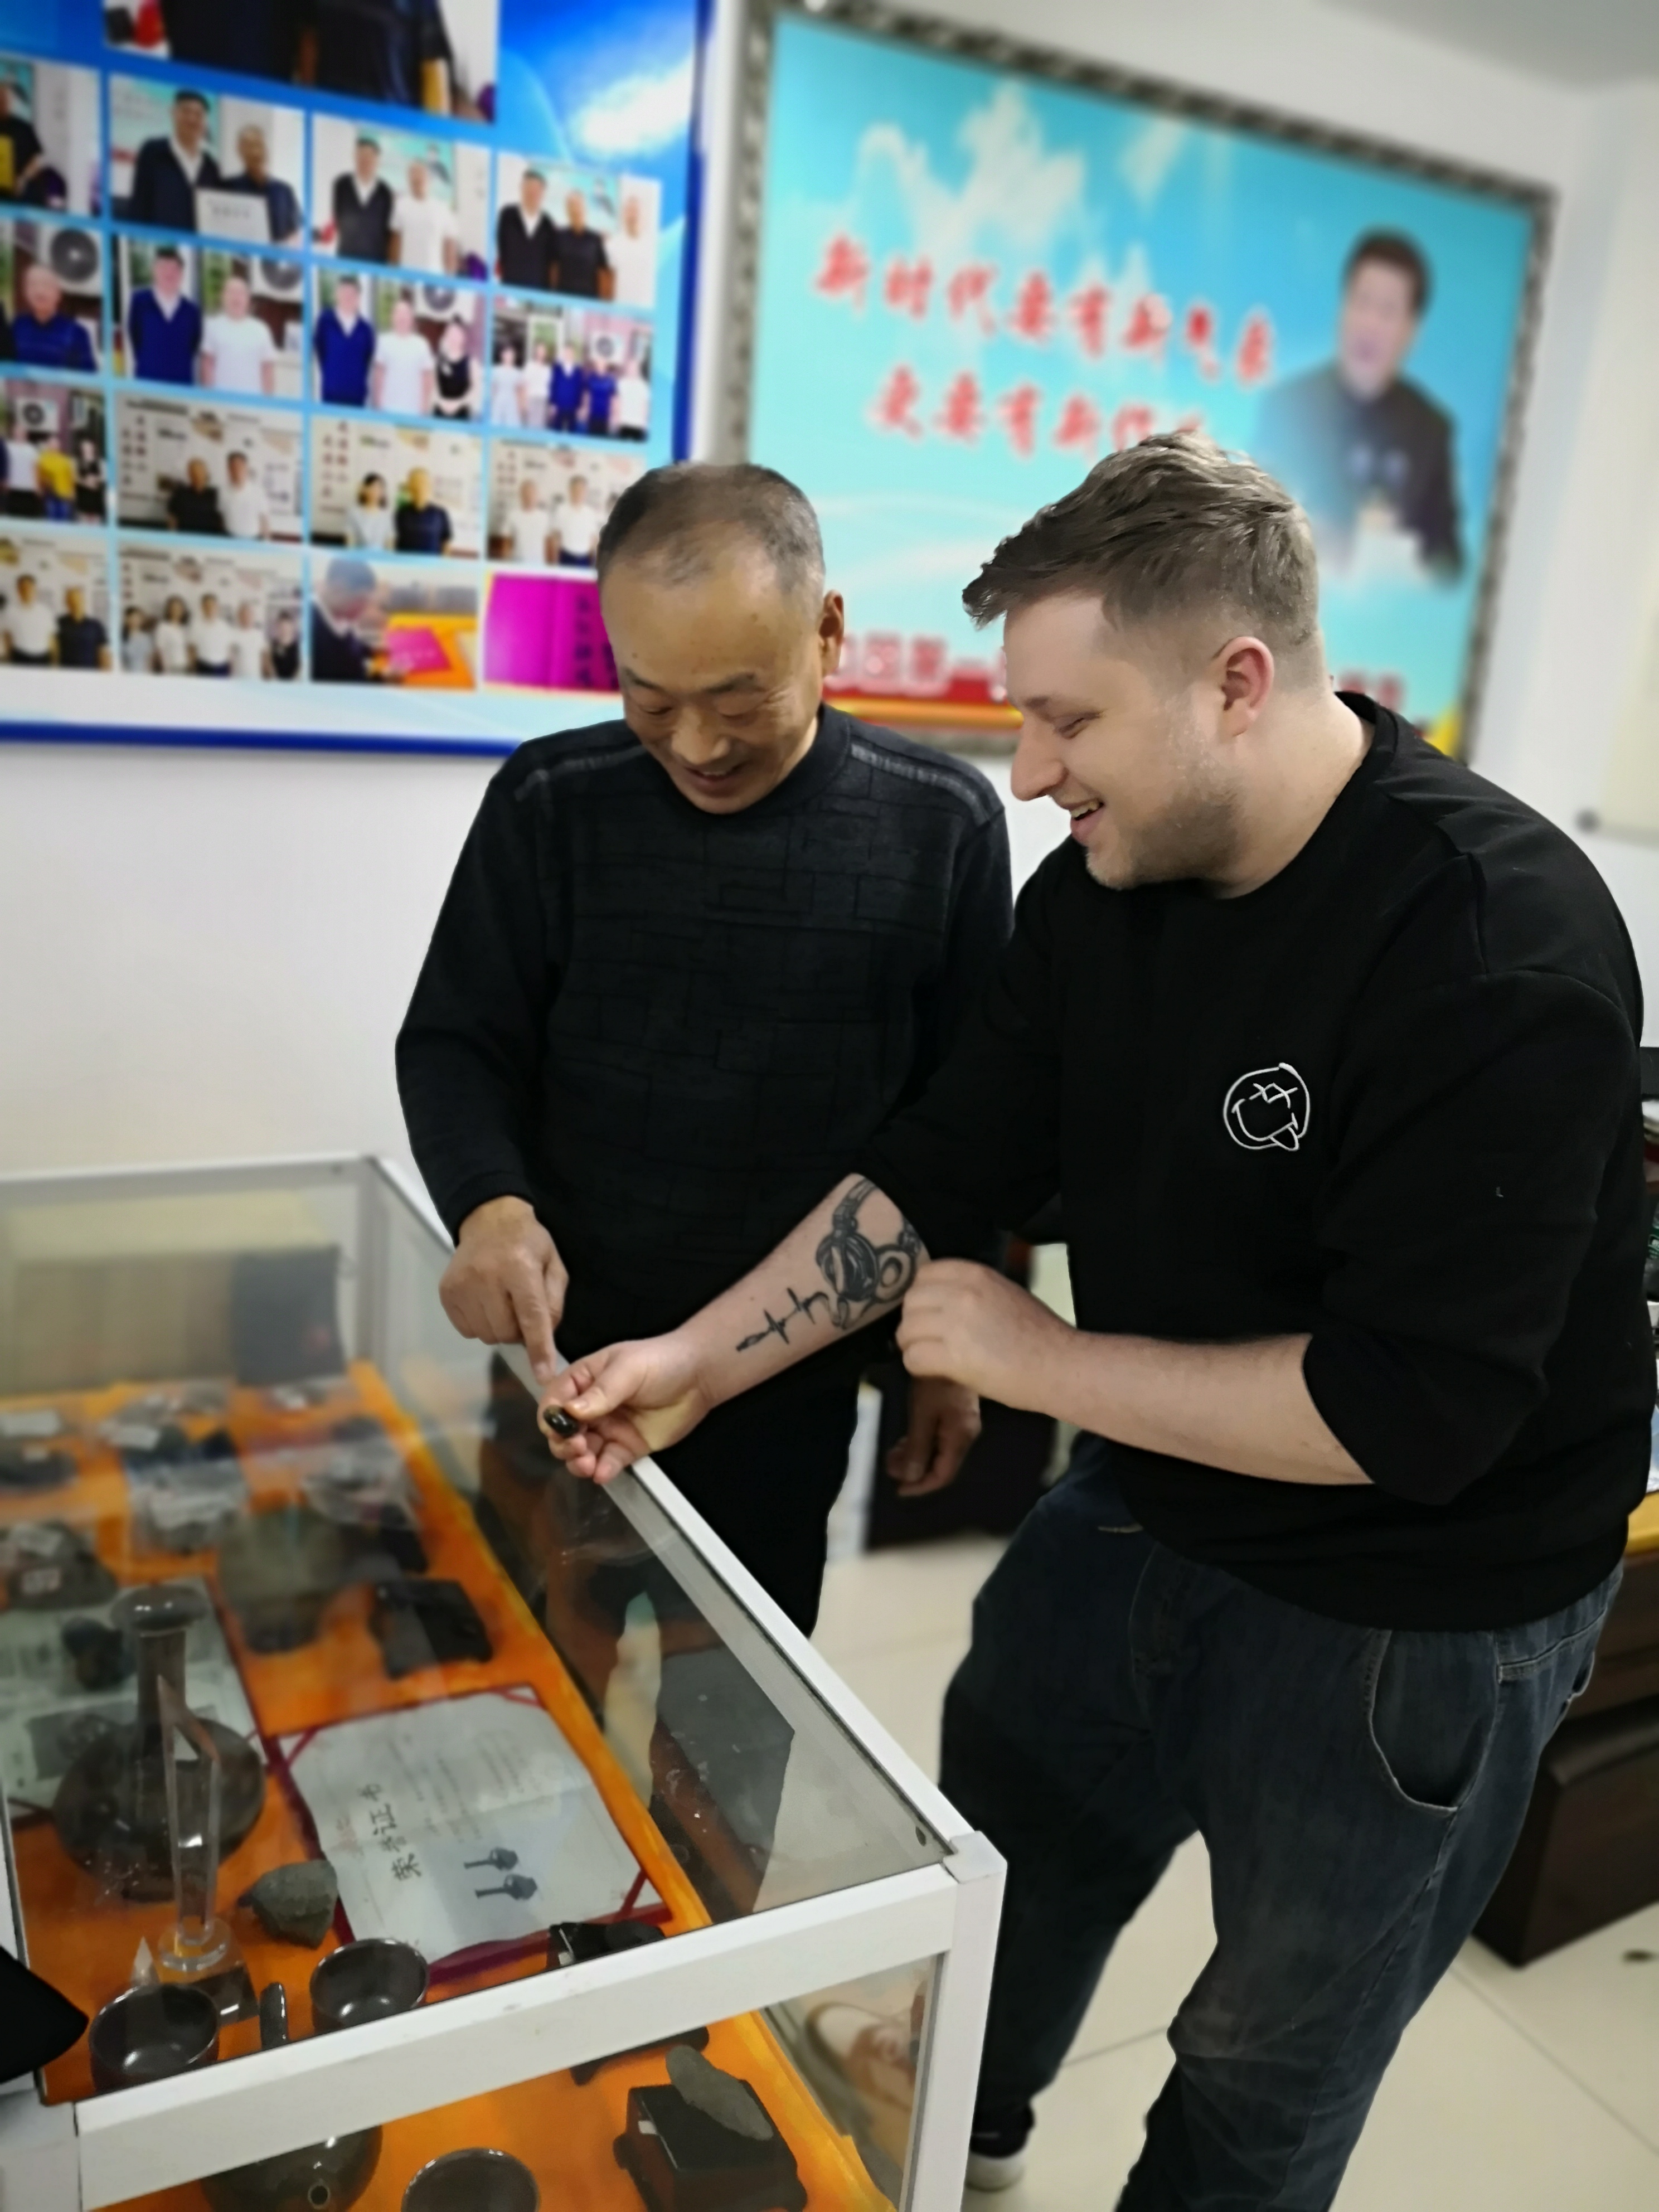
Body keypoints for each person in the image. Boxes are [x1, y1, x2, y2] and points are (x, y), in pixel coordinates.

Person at [540, 435, 1652, 2207]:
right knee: (1016, 1814)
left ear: (1235, 684)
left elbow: (1408, 1411)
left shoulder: (1488, 940)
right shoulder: (1099, 892)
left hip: (1415, 1603)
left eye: (1068, 721)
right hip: (1145, 1501)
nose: (1030, 771)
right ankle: (967, 2105)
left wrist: (1035, 1359)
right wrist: (696, 1358)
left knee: (1265, 2053)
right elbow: (934, 1168)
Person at [397, 462, 1011, 1634]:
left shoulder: (940, 824)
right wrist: (488, 1207)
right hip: (564, 1357)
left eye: (738, 699)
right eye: (650, 695)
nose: (695, 743)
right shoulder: (551, 799)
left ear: (827, 633)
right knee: (532, 1650)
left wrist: (945, 1347)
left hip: (789, 1374)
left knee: (732, 1696)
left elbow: (965, 1117)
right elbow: (455, 1040)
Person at [1254, 231, 1462, 578]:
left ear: (1412, 330)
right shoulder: (1286, 406)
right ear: (1342, 308)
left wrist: (1400, 553)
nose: (1370, 324)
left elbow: (1448, 565)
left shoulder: (1431, 430)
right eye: (1361, 302)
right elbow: (1243, 529)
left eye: (1387, 311)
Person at [307, 0, 456, 117]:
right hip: (329, 119)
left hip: (393, 128)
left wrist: (436, 138)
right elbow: (309, 44)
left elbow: (434, 68)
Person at [126, 89, 220, 232]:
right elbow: (139, 206)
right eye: (186, 111)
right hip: (158, 242)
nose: (192, 119)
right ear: (173, 113)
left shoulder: (212, 167)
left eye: (198, 114)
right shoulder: (152, 152)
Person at [126, 246, 201, 386]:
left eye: (174, 269)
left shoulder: (192, 311)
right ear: (154, 270)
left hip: (181, 387)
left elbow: (193, 346)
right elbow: (135, 337)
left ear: (181, 274)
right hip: (147, 385)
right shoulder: (140, 302)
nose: (169, 273)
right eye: (164, 267)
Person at [224, 123, 302, 246]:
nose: (256, 152)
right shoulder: (228, 188)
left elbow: (295, 233)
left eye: (259, 145)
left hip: (277, 258)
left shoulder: (285, 192)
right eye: (249, 146)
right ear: (240, 151)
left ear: (266, 150)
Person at [200, 275, 276, 396]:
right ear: (223, 297)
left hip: (252, 401)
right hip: (220, 400)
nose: (236, 298)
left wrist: (268, 402)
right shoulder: (212, 326)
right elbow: (207, 364)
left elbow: (267, 370)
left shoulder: (262, 330)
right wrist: (210, 397)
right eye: (231, 292)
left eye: (241, 293)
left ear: (248, 299)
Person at [311, 556, 382, 682]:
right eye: (361, 600)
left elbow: (355, 651)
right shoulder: (313, 631)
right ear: (338, 589)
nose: (365, 608)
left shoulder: (342, 617)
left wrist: (378, 655)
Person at [13, 265, 95, 371]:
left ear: (59, 293)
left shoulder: (76, 334)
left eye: (46, 285)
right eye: (33, 285)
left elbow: (88, 378)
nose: (40, 291)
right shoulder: (17, 327)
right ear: (25, 292)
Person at [313, 272, 376, 406]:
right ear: (337, 294)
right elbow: (320, 351)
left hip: (357, 399)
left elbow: (367, 359)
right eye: (344, 293)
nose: (348, 297)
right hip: (331, 396)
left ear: (358, 298)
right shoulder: (325, 321)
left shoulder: (366, 329)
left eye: (352, 294)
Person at [331, 134, 395, 265]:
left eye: (369, 156)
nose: (365, 160)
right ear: (354, 157)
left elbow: (388, 230)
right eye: (360, 155)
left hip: (376, 262)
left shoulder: (386, 192)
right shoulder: (341, 185)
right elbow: (338, 217)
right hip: (346, 258)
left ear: (377, 160)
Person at [391, 157, 458, 276]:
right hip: (407, 277)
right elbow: (395, 245)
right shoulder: (400, 206)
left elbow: (450, 249)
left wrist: (450, 279)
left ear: (429, 178)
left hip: (434, 279)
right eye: (413, 174)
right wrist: (393, 274)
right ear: (408, 179)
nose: (417, 178)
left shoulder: (443, 209)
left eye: (421, 173)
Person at [372, 294, 434, 416]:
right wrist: (378, 405)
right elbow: (379, 374)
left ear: (412, 318)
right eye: (398, 313)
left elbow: (427, 378)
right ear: (392, 317)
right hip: (388, 409)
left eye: (406, 313)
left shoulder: (422, 344)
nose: (402, 317)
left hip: (414, 412)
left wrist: (424, 407)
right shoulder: (383, 341)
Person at [495, 167, 555, 291]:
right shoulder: (507, 215)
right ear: (522, 188)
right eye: (528, 187)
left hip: (538, 291)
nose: (532, 193)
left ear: (543, 193)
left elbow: (550, 260)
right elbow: (501, 246)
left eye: (536, 189)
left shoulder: (548, 224)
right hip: (510, 287)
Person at [549, 189, 612, 300]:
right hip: (563, 300)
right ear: (567, 210)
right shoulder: (559, 237)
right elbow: (553, 270)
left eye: (578, 205)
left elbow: (604, 273)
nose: (575, 210)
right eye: (571, 205)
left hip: (588, 302)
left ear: (585, 208)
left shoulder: (596, 239)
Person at [0, 80, 47, 205]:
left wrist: (23, 180)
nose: (2, 102)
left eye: (4, 98)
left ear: (10, 100)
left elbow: (37, 161)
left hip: (20, 196)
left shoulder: (23, 128)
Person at [608, 191, 654, 309]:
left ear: (642, 214)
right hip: (620, 309)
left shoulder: (652, 246)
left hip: (645, 309)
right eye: (629, 211)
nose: (632, 215)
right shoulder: (612, 245)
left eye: (635, 211)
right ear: (623, 215)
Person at [394, 465, 451, 555]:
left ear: (429, 486)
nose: (419, 487)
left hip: (432, 563)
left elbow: (446, 545)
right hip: (405, 562)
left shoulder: (440, 514)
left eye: (423, 483)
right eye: (415, 483)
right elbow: (394, 543)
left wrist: (445, 562)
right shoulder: (401, 513)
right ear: (410, 487)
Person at [166, 454, 227, 535]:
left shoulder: (215, 495)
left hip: (209, 539)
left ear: (206, 473)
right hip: (184, 537)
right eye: (194, 472)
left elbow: (222, 522)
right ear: (189, 474)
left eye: (200, 472)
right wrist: (173, 538)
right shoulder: (179, 494)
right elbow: (172, 519)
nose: (197, 475)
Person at [431, 316, 477, 418]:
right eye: (451, 333)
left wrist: (458, 403)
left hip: (462, 416)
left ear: (463, 337)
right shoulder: (438, 361)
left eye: (457, 333)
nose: (454, 337)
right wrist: (441, 402)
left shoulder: (471, 363)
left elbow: (475, 390)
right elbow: (433, 387)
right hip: (439, 414)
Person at [56, 585, 108, 670]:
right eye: (72, 600)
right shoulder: (59, 623)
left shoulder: (96, 625)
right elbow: (54, 653)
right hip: (66, 674)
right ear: (67, 603)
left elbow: (103, 653)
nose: (75, 603)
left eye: (78, 600)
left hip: (90, 674)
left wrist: (105, 674)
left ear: (84, 601)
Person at [221, 448, 269, 540]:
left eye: (239, 466)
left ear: (246, 468)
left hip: (253, 540)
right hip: (229, 539)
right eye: (233, 467)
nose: (236, 470)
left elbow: (264, 520)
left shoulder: (258, 492)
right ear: (229, 470)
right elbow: (222, 519)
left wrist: (266, 543)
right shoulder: (223, 492)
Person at [6, 571, 53, 662]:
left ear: (35, 589)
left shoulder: (45, 612)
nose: (26, 590)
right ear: (18, 590)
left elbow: (51, 637)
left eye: (29, 587)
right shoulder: (11, 612)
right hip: (20, 656)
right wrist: (9, 658)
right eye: (22, 588)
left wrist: (54, 663)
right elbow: (7, 637)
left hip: (43, 658)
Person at [552, 474, 598, 567]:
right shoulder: (561, 510)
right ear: (570, 490)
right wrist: (555, 560)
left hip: (584, 559)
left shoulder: (590, 513)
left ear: (585, 492)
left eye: (581, 490)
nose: (578, 492)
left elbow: (593, 539)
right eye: (576, 489)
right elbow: (556, 536)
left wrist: (593, 561)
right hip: (566, 557)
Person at [505, 476, 550, 566]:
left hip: (538, 566)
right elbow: (506, 544)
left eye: (531, 493)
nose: (529, 496)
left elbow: (548, 544)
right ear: (521, 495)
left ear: (537, 495)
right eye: (525, 493)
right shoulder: (512, 516)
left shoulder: (544, 517)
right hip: (517, 565)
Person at [347, 470, 394, 550]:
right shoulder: (354, 513)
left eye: (379, 488)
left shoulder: (387, 515)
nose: (375, 491)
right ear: (365, 489)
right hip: (358, 556)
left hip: (380, 557)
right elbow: (350, 543)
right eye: (372, 487)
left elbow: (390, 544)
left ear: (383, 493)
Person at [190, 591, 233, 674]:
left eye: (212, 605)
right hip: (203, 666)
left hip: (222, 667)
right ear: (202, 607)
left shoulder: (224, 626)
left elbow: (229, 649)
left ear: (217, 606)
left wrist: (231, 669)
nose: (210, 608)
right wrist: (193, 668)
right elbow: (192, 649)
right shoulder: (196, 626)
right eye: (207, 606)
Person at [36, 435, 75, 521]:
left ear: (59, 445)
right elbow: (39, 476)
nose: (54, 446)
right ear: (48, 445)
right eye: (51, 444)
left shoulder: (65, 460)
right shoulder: (42, 459)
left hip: (63, 495)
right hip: (49, 496)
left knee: (64, 521)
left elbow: (70, 477)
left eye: (55, 444)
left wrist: (71, 492)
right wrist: (40, 488)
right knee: (51, 520)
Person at [227, 600, 269, 679]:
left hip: (256, 680)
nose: (246, 618)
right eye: (243, 615)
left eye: (248, 615)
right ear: (239, 616)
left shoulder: (259, 635)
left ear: (253, 616)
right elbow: (229, 661)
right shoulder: (232, 635)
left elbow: (265, 659)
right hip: (237, 680)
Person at [549, 341, 584, 434]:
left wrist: (580, 407)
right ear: (564, 353)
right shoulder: (557, 368)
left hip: (573, 407)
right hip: (559, 406)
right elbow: (553, 386)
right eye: (567, 352)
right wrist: (552, 404)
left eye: (571, 352)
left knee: (572, 433)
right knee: (557, 433)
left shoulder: (579, 370)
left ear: (574, 354)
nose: (569, 354)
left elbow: (580, 389)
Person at [487, 340, 523, 427]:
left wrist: (521, 408)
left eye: (511, 354)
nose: (509, 356)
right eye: (507, 354)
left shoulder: (518, 373)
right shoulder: (496, 371)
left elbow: (520, 392)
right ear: (502, 355)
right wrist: (490, 404)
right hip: (498, 401)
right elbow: (493, 389)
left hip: (512, 403)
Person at [153, 593, 191, 674]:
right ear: (169, 610)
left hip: (184, 667)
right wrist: (165, 669)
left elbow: (188, 649)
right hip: (169, 668)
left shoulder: (185, 628)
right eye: (173, 608)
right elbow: (159, 649)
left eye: (179, 608)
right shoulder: (163, 627)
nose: (176, 610)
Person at [614, 358, 649, 443]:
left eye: (634, 368)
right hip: (624, 422)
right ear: (627, 369)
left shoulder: (643, 386)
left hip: (638, 424)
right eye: (630, 368)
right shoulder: (621, 384)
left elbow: (645, 405)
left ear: (638, 370)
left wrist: (644, 423)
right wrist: (617, 420)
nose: (632, 370)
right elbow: (618, 403)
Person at [74, 433, 106, 522]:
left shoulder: (100, 462)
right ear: (81, 449)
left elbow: (104, 479)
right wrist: (86, 482)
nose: (87, 450)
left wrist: (94, 480)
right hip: (83, 504)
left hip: (96, 504)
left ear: (93, 448)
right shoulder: (77, 462)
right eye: (85, 448)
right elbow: (75, 479)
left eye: (89, 447)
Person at [583, 354, 617, 438]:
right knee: (591, 438)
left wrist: (614, 416)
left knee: (603, 439)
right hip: (592, 415)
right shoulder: (591, 378)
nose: (600, 366)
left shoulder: (611, 380)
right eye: (598, 364)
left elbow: (614, 399)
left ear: (606, 365)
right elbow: (587, 395)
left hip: (605, 416)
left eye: (602, 364)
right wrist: (585, 410)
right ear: (596, 365)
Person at [521, 340, 551, 430]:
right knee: (531, 426)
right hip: (532, 398)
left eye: (543, 351)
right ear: (536, 352)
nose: (541, 353)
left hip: (543, 400)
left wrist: (550, 405)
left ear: (545, 353)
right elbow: (525, 385)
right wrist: (524, 403)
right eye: (539, 350)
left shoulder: (548, 369)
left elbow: (549, 387)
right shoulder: (530, 366)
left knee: (541, 426)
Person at [119, 604, 154, 673]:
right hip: (126, 674)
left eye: (136, 618)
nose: (134, 621)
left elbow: (149, 660)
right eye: (131, 618)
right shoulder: (121, 638)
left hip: (143, 674)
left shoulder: (146, 638)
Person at [269, 607, 300, 680]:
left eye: (286, 626)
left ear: (292, 627)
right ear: (278, 627)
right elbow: (270, 669)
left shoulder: (299, 647)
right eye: (282, 627)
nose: (284, 630)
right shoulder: (272, 645)